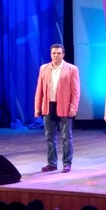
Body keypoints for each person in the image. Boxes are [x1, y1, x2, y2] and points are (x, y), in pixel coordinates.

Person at [34, 43, 80, 173]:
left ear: (63, 54)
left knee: (66, 137)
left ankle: (67, 163)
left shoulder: (72, 69)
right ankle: (51, 163)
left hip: (64, 107)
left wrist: (73, 107)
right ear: (51, 54)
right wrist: (37, 107)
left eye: (58, 53)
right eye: (53, 53)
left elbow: (75, 91)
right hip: (48, 106)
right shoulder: (44, 68)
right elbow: (39, 89)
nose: (56, 55)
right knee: (49, 137)